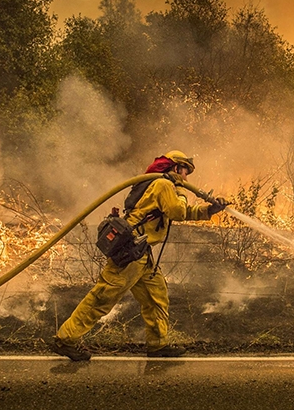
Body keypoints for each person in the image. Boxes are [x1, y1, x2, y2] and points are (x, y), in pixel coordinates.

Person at [50, 150, 228, 360]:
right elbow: (177, 211)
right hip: (130, 253)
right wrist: (181, 190)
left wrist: (209, 211)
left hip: (141, 254)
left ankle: (158, 344)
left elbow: (181, 211)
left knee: (156, 297)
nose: (186, 178)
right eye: (185, 172)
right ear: (175, 167)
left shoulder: (162, 186)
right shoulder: (163, 185)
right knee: (103, 297)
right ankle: (66, 339)